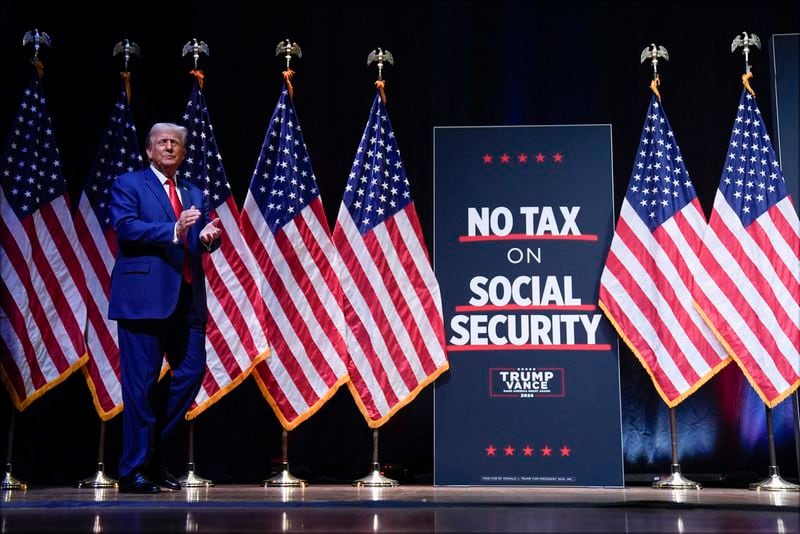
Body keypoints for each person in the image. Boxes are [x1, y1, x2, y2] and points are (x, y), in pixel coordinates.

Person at [108, 122, 223, 493]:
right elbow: (125, 227)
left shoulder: (193, 192)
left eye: (176, 143)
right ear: (149, 150)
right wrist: (173, 230)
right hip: (144, 299)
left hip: (187, 300)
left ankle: (152, 456)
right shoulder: (129, 184)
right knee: (139, 388)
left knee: (191, 373)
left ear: (184, 153)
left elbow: (197, 236)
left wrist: (206, 239)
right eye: (162, 142)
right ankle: (134, 470)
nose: (169, 147)